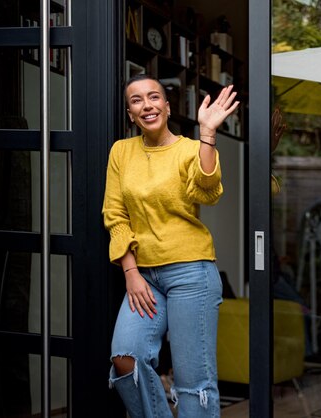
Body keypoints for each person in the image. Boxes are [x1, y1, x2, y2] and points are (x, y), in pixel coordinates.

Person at [103, 73, 239, 418]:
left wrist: (207, 135)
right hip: (144, 276)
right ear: (130, 113)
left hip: (190, 272)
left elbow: (207, 192)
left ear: (166, 105)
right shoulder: (121, 152)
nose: (146, 105)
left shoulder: (191, 150)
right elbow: (115, 215)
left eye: (153, 97)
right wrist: (131, 272)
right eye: (136, 100)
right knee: (125, 358)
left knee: (194, 380)